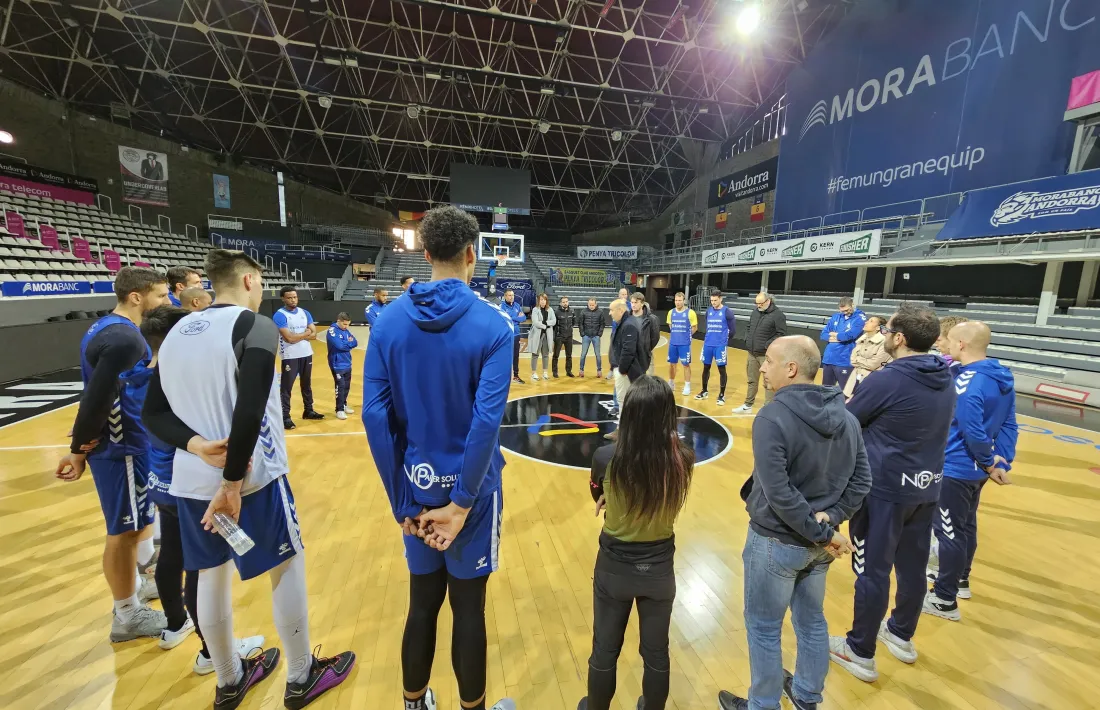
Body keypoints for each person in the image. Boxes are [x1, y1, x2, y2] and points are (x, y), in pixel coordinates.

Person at [143, 249, 356, 710]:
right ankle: (301, 676)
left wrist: (196, 445)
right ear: (246, 282)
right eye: (259, 283)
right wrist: (234, 482)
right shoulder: (254, 326)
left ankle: (229, 680)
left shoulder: (177, 329)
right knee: (286, 565)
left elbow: (152, 413)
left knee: (209, 577)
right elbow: (252, 406)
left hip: (191, 483)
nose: (261, 291)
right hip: (253, 482)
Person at [362, 205, 516, 710]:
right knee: (469, 610)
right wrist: (464, 502)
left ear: (425, 253)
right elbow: (486, 424)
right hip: (470, 499)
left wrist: (401, 502)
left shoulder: (386, 321)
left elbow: (374, 418)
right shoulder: (495, 325)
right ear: (472, 255)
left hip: (415, 491)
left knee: (422, 604)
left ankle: (413, 703)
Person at [718, 336, 871, 710]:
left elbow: (779, 494)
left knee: (764, 629)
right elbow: (862, 480)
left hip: (777, 541)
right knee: (812, 622)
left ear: (790, 368)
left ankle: (763, 705)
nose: (762, 368)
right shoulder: (847, 417)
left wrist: (825, 530)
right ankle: (806, 696)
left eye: (768, 361)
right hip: (818, 546)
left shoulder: (772, 416)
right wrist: (830, 524)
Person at [828, 304, 956, 683]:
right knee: (914, 568)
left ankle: (860, 650)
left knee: (873, 570)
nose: (883, 335)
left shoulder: (888, 379)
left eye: (888, 331)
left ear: (899, 338)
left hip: (884, 490)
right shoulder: (944, 375)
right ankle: (901, 634)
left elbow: (848, 421)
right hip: (927, 487)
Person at [139, 305, 265, 671]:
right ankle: (213, 654)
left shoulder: (148, 376)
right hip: (191, 480)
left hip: (161, 480)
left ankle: (174, 625)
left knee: (174, 556)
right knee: (204, 569)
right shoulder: (181, 378)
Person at [55, 266, 171, 643]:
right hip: (121, 446)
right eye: (160, 294)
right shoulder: (126, 339)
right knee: (122, 532)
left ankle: (135, 589)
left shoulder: (108, 327)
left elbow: (95, 390)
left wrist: (83, 430)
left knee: (135, 526)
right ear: (136, 297)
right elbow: (99, 396)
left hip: (122, 442)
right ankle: (126, 614)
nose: (166, 301)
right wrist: (78, 448)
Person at [581, 376, 695, 710]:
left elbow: (596, 492)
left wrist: (606, 497)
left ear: (628, 413)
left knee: (604, 649)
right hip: (660, 571)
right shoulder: (683, 458)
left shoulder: (605, 456)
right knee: (657, 653)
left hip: (614, 567)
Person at [925, 321, 1017, 621]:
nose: (946, 343)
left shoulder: (969, 382)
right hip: (977, 470)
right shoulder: (1001, 376)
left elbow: (972, 428)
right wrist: (1001, 460)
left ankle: (944, 598)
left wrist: (990, 460)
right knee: (966, 526)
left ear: (961, 344)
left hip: (956, 466)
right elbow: (1009, 423)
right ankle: (961, 579)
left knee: (949, 531)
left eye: (949, 339)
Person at [273, 286, 323, 429]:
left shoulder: (304, 312)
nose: (293, 300)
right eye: (289, 297)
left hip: (306, 353)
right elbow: (289, 338)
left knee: (306, 384)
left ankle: (308, 410)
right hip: (290, 355)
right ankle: (285, 417)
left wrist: (300, 336)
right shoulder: (280, 315)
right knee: (286, 387)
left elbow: (314, 335)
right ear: (283, 298)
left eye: (295, 297)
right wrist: (305, 334)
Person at [733, 292, 786, 414]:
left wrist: (766, 345)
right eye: (756, 303)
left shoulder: (778, 315)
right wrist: (747, 338)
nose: (758, 306)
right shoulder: (755, 312)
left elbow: (781, 334)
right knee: (752, 380)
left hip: (766, 356)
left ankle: (768, 408)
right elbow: (749, 326)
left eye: (760, 303)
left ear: (768, 301)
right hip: (752, 353)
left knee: (768, 382)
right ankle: (748, 405)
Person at [606, 299, 648, 441]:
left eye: (612, 310)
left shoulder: (628, 325)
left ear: (620, 310)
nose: (610, 313)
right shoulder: (624, 323)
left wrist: (622, 369)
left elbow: (628, 351)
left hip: (627, 371)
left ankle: (622, 431)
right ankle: (630, 431)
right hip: (625, 369)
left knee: (624, 401)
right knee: (627, 401)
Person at [696, 290, 736, 405]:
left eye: (715, 300)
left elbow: (733, 330)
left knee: (721, 370)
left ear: (720, 299)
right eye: (711, 300)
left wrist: (724, 340)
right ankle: (704, 391)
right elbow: (707, 325)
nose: (713, 303)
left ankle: (722, 395)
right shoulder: (708, 311)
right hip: (708, 344)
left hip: (720, 345)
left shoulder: (727, 312)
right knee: (706, 368)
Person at [819, 297, 866, 389]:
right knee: (826, 390)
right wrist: (836, 337)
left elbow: (851, 335)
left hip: (845, 360)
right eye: (842, 311)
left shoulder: (860, 317)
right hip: (829, 359)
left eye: (847, 310)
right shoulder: (836, 316)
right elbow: (823, 334)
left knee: (845, 391)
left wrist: (835, 335)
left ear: (852, 305)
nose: (844, 313)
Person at [841, 315, 891, 399]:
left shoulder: (884, 342)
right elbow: (852, 359)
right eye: (868, 320)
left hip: (871, 380)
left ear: (878, 327)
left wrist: (859, 360)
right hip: (854, 378)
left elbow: (874, 364)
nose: (866, 322)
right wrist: (863, 361)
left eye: (871, 321)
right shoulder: (862, 339)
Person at [326, 313, 358, 420]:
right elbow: (339, 346)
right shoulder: (332, 331)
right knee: (340, 386)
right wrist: (347, 344)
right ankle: (339, 409)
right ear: (338, 321)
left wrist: (346, 344)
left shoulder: (346, 330)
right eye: (344, 324)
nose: (346, 327)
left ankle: (344, 405)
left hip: (347, 362)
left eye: (348, 324)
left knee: (347, 386)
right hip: (337, 364)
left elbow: (355, 342)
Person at [666, 292, 698, 396]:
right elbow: (671, 326)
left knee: (686, 365)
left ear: (684, 301)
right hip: (673, 343)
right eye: (676, 300)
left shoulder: (690, 313)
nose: (677, 302)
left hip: (684, 344)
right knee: (672, 364)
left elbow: (694, 327)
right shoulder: (671, 312)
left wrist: (686, 336)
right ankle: (671, 383)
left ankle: (687, 385)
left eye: (680, 300)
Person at [630, 292, 661, 377]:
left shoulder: (651, 319)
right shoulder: (627, 318)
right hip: (630, 355)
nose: (633, 305)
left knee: (647, 380)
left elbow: (655, 337)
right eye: (632, 302)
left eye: (636, 302)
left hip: (645, 354)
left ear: (642, 303)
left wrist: (646, 348)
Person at [501, 289, 527, 384]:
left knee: (516, 356)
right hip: (507, 335)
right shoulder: (502, 307)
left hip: (516, 334)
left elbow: (524, 318)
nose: (511, 297)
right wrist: (517, 318)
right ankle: (504, 377)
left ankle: (516, 376)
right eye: (509, 295)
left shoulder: (517, 305)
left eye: (512, 295)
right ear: (505, 296)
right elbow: (505, 319)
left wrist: (513, 318)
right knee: (506, 356)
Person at [529, 292, 556, 381]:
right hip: (537, 335)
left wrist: (545, 323)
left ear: (546, 301)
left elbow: (554, 321)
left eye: (544, 300)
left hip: (547, 335)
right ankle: (533, 373)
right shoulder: (535, 310)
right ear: (539, 301)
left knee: (545, 354)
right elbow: (536, 323)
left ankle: (545, 372)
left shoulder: (550, 310)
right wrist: (546, 325)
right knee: (535, 354)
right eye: (541, 300)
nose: (543, 301)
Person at [606, 287, 630, 380]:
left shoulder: (629, 306)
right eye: (622, 294)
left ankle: (622, 370)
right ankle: (612, 369)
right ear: (619, 295)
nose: (623, 296)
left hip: (623, 333)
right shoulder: (614, 305)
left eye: (625, 294)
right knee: (612, 353)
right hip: (615, 332)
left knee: (622, 352)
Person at [578, 298, 605, 378]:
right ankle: (581, 370)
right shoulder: (583, 312)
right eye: (590, 305)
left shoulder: (600, 312)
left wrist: (599, 334)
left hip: (596, 336)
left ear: (596, 304)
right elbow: (580, 323)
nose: (591, 306)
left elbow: (602, 323)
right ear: (588, 304)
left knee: (598, 355)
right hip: (586, 336)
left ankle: (599, 370)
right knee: (583, 354)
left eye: (593, 305)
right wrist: (582, 334)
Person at [552, 295, 576, 378]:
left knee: (569, 355)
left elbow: (573, 322)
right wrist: (555, 336)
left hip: (569, 336)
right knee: (556, 355)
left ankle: (568, 371)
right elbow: (554, 326)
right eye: (563, 302)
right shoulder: (556, 312)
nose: (565, 303)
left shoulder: (572, 311)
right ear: (560, 303)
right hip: (559, 337)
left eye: (566, 302)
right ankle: (555, 372)